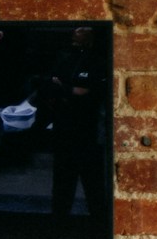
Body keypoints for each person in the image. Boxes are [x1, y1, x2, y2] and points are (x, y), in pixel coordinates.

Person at [47, 27, 110, 220]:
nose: (76, 42)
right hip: (64, 127)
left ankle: (98, 221)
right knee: (63, 179)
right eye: (74, 38)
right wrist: (66, 90)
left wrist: (64, 88)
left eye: (80, 39)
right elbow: (54, 84)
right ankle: (59, 219)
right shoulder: (65, 60)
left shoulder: (96, 62)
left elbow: (83, 91)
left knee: (92, 180)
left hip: (87, 129)